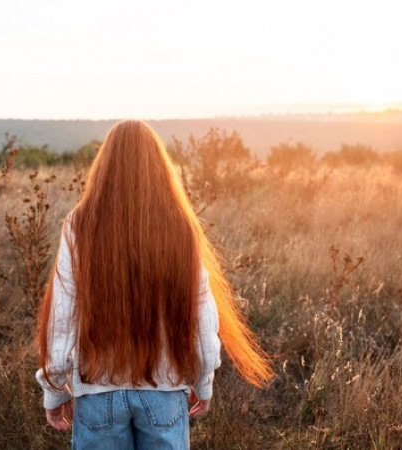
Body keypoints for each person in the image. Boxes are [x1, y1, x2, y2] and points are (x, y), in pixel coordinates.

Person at [35, 119, 273, 449]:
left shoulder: (80, 223)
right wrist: (204, 383)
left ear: (104, 165)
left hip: (97, 395)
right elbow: (203, 316)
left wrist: (54, 390)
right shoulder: (181, 226)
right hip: (164, 392)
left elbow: (61, 318)